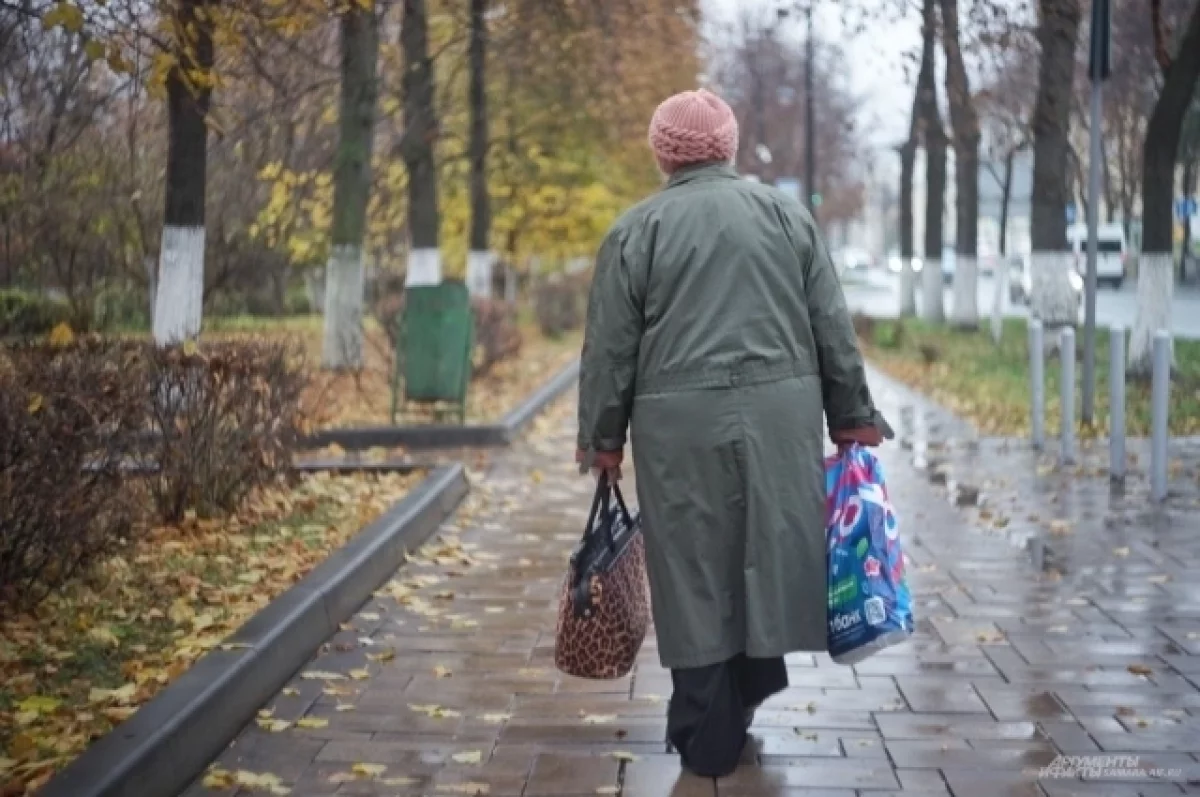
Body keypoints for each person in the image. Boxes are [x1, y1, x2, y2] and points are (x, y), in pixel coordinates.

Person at [574, 88, 892, 779]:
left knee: (691, 563)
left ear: (663, 151)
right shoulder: (787, 216)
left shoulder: (637, 230)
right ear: (729, 144)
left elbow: (609, 349)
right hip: (780, 415)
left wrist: (603, 440)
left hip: (675, 422)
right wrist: (852, 417)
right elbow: (831, 325)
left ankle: (706, 721)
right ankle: (747, 687)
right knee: (765, 549)